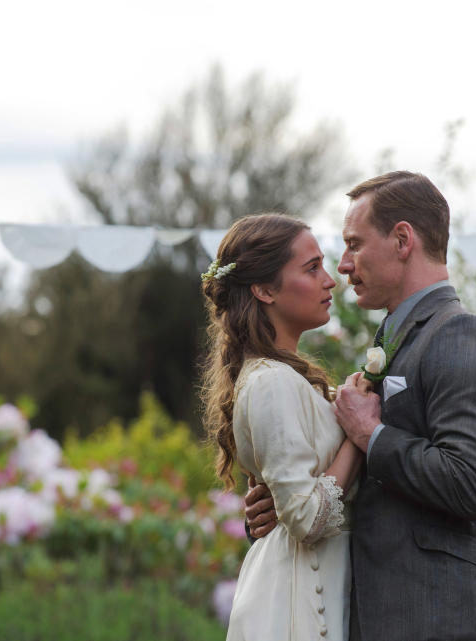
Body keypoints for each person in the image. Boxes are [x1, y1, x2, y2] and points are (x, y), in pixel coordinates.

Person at [245, 171, 476, 641]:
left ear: (403, 239)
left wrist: (373, 436)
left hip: (439, 623)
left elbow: (471, 483)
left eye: (354, 244)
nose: (343, 265)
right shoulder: (392, 342)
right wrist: (289, 500)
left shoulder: (459, 335)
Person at [201, 213, 363, 641]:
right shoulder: (271, 382)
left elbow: (295, 494)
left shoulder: (288, 379)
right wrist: (359, 437)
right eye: (311, 269)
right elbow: (308, 517)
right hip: (295, 602)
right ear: (264, 289)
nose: (330, 281)